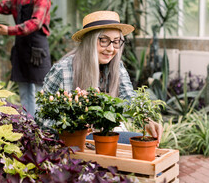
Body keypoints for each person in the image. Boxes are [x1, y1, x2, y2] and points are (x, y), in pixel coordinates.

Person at [42, 10, 163, 144]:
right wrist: (72, 127)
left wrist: (146, 119)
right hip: (69, 143)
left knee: (145, 143)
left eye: (116, 42)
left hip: (102, 137)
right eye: (104, 41)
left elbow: (129, 98)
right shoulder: (63, 70)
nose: (111, 49)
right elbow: (42, 118)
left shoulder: (117, 67)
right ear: (90, 41)